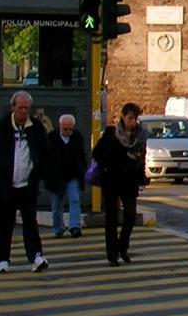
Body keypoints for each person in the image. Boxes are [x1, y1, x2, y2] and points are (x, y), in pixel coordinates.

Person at [0, 91, 48, 272]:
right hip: (5, 187)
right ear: (13, 107)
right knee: (5, 224)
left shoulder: (35, 127)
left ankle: (36, 256)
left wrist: (38, 176)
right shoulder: (2, 127)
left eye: (26, 108)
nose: (23, 111)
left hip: (27, 185)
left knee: (30, 222)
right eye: (20, 108)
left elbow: (44, 153)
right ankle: (2, 259)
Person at [93, 102, 147, 267]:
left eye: (135, 118)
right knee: (112, 218)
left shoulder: (140, 135)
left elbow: (141, 158)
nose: (132, 122)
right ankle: (112, 254)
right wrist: (107, 166)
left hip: (130, 181)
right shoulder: (111, 133)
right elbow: (97, 153)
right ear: (123, 117)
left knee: (130, 216)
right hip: (111, 180)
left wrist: (142, 177)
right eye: (130, 118)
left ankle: (122, 247)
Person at [45, 114, 86, 239]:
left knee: (75, 200)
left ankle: (75, 227)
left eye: (70, 129)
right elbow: (46, 158)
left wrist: (82, 171)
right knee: (56, 205)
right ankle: (58, 228)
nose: (68, 132)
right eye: (65, 129)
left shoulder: (77, 137)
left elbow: (81, 155)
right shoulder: (51, 138)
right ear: (60, 126)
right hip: (56, 177)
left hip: (73, 175)